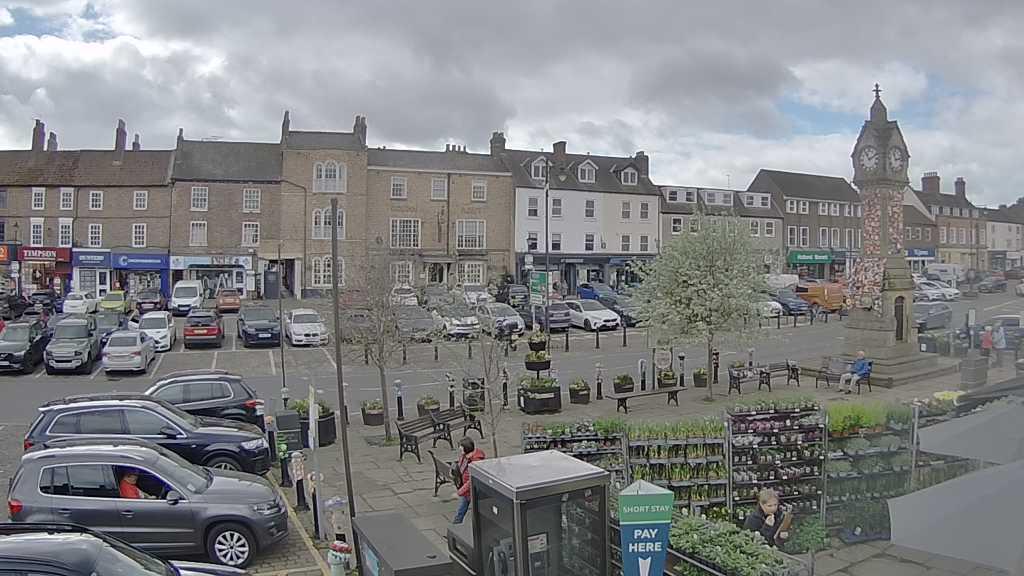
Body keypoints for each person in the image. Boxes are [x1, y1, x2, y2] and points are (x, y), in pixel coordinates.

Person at [452, 436, 485, 524]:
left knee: (465, 509)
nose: (460, 451)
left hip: (473, 491)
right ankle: (456, 524)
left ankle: (457, 525)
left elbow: (471, 481)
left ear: (467, 449)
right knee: (462, 510)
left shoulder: (475, 462)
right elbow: (460, 466)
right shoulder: (465, 456)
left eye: (462, 449)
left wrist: (459, 492)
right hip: (466, 491)